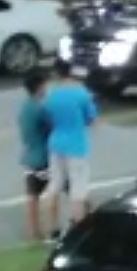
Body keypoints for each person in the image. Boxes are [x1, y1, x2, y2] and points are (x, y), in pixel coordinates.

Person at [42, 66, 100, 229]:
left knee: (54, 185)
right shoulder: (83, 95)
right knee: (78, 190)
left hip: (55, 144)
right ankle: (78, 229)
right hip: (76, 147)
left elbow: (49, 118)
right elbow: (93, 121)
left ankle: (51, 229)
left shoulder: (52, 95)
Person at [17, 69, 53, 241]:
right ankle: (53, 230)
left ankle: (34, 232)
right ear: (39, 87)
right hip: (43, 158)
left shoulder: (24, 107)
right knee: (60, 191)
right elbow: (51, 130)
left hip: (29, 157)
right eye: (45, 84)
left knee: (32, 196)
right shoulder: (41, 109)